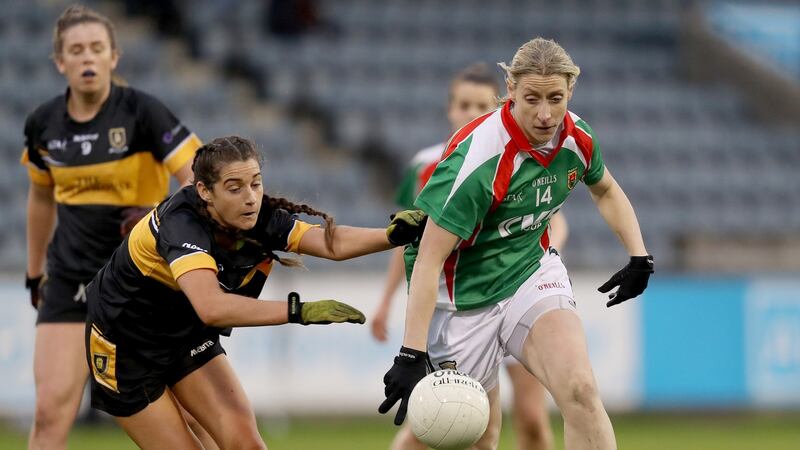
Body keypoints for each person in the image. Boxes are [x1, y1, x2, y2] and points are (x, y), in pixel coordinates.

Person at [378, 37, 654, 450]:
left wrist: (639, 256)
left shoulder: (577, 137)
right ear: (510, 92)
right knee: (474, 435)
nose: (545, 114)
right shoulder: (480, 161)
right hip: (462, 301)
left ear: (570, 92)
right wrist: (410, 352)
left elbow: (606, 190)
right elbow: (429, 256)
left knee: (579, 390)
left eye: (555, 99)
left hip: (529, 272)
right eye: (532, 99)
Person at [84, 136, 425, 449]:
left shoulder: (257, 216)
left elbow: (327, 242)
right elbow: (211, 307)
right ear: (204, 191)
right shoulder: (181, 223)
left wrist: (391, 236)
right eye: (234, 188)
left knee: (247, 444)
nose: (250, 197)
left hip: (184, 337)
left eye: (255, 184)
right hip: (126, 349)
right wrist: (297, 310)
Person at [19, 5, 205, 449]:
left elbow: (198, 178)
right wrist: (33, 271)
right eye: (76, 50)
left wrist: (163, 217)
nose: (87, 58)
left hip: (141, 283)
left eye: (97, 48)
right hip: (71, 280)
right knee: (48, 414)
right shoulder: (43, 125)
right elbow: (41, 196)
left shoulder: (143, 113)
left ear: (113, 57)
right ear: (60, 62)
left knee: (188, 417)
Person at [371, 64, 566, 450]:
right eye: (463, 104)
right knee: (452, 420)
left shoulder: (519, 152)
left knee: (532, 420)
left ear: (497, 106)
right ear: (450, 109)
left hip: (517, 292)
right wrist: (386, 299)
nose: (470, 112)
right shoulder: (427, 165)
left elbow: (553, 220)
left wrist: (544, 257)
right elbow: (411, 242)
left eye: (480, 105)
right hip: (463, 304)